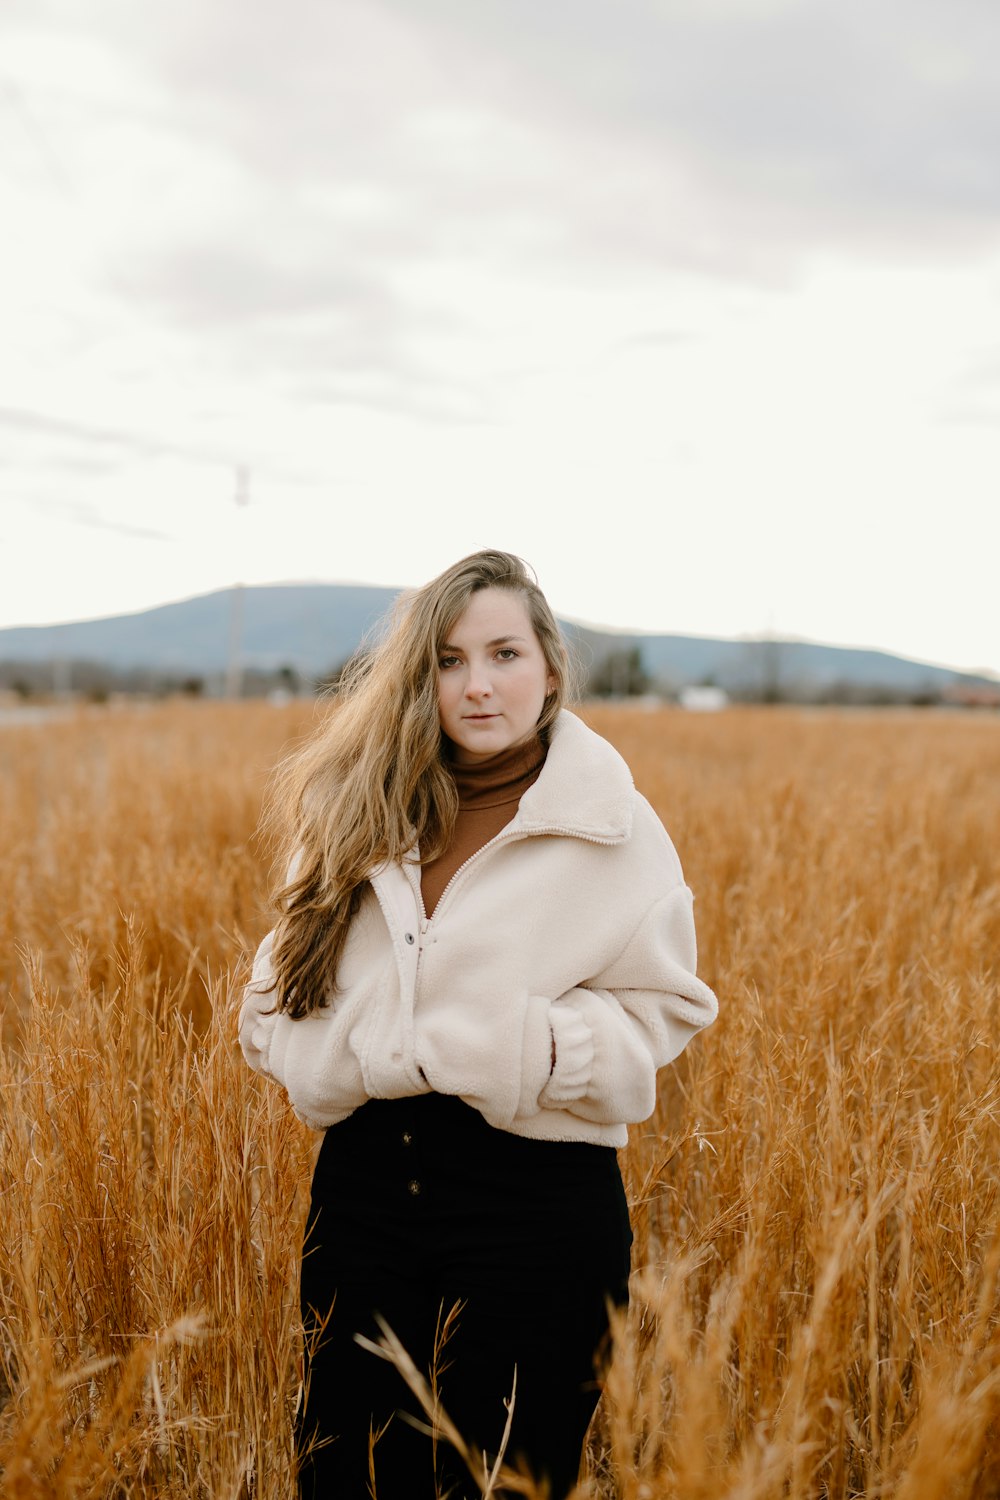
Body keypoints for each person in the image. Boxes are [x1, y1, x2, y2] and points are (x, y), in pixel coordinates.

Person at [239, 550, 718, 1499]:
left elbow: (666, 1009)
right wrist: (324, 1056)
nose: (478, 683)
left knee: (500, 1481)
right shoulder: (357, 809)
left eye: (503, 653)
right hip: (365, 1194)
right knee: (352, 1477)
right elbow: (275, 986)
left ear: (548, 666)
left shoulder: (612, 827)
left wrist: (538, 1050)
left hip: (537, 1198)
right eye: (449, 661)